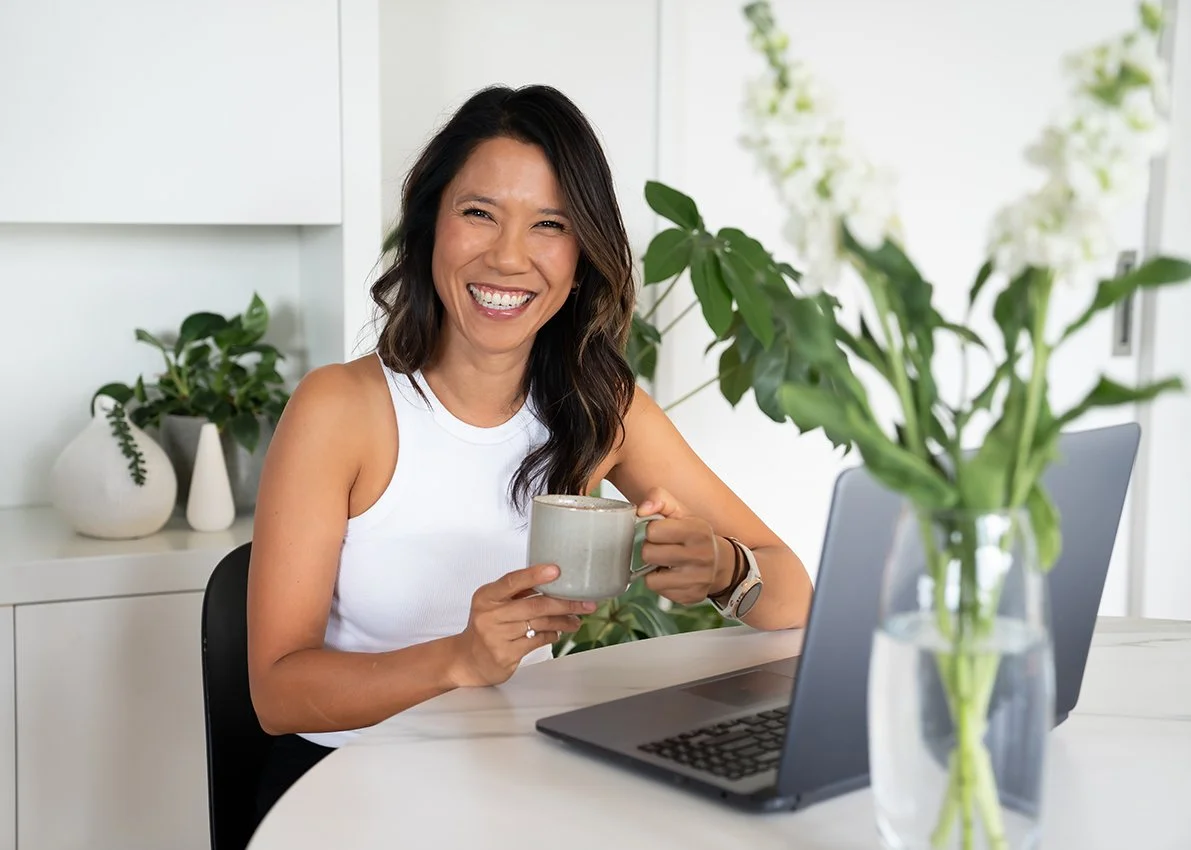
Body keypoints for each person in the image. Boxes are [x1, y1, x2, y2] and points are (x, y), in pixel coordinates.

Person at [245, 83, 813, 821]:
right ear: (430, 228)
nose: (508, 257)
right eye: (479, 213)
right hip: (346, 788)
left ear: (580, 258)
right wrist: (458, 658)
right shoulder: (341, 410)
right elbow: (276, 694)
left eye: (549, 225)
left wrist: (725, 568)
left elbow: (792, 592)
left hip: (505, 779)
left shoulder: (597, 408)